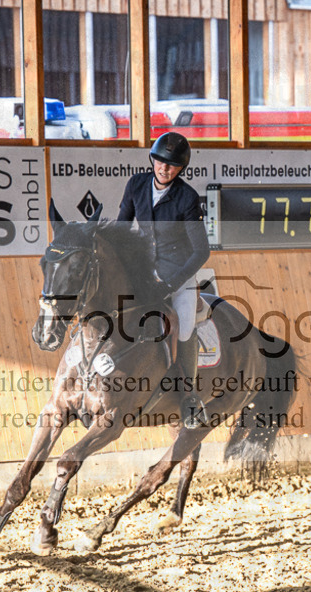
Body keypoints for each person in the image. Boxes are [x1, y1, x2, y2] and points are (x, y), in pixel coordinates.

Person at [117, 131, 209, 428]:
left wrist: (171, 284)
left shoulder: (187, 197)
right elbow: (121, 229)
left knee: (184, 326)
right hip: (144, 272)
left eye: (171, 165)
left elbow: (201, 251)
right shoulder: (136, 185)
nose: (164, 168)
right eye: (160, 161)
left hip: (178, 277)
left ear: (180, 168)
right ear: (152, 159)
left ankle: (190, 397)